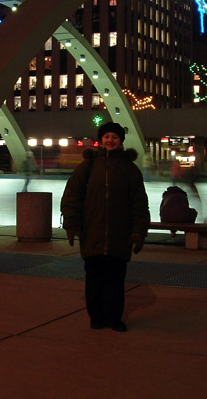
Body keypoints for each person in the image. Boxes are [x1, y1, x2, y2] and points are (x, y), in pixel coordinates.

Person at [61, 122, 150, 332]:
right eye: (107, 136)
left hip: (119, 235)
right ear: (101, 140)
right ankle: (96, 317)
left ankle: (113, 318)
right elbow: (71, 197)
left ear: (121, 141)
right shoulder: (88, 166)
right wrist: (72, 224)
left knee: (116, 281)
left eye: (115, 137)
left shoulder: (129, 169)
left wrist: (139, 231)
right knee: (94, 279)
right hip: (92, 233)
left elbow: (139, 203)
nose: (110, 140)